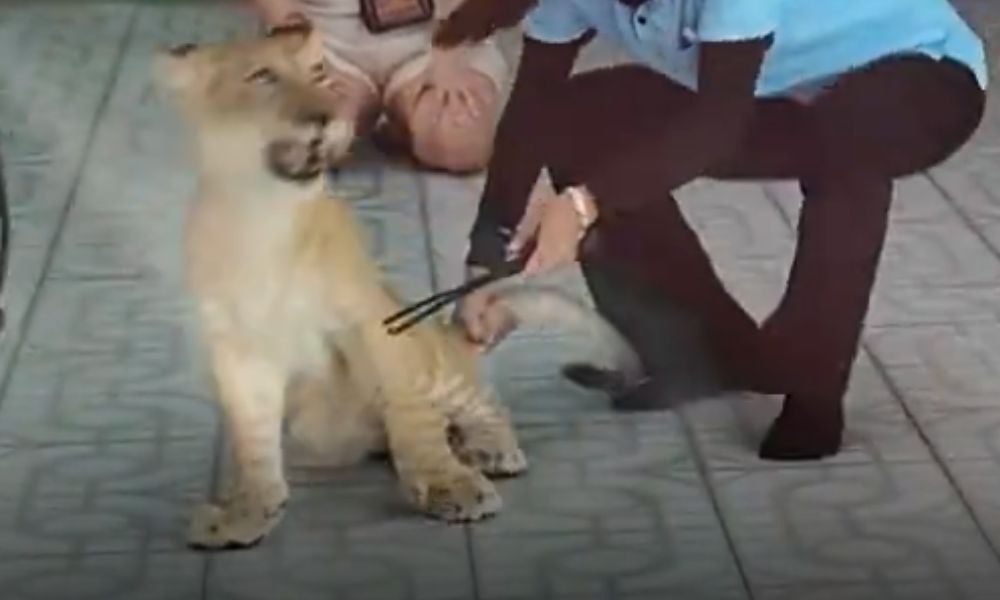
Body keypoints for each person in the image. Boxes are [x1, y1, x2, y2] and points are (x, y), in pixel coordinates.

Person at [434, 0, 988, 460]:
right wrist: (486, 254)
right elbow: (535, 106)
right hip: (782, 91)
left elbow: (716, 126)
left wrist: (582, 205)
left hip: (923, 75)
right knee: (579, 122)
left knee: (851, 139)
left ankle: (813, 383)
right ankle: (696, 349)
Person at [249, 0, 508, 173]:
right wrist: (293, 36)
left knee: (460, 141)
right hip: (329, 44)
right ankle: (367, 113)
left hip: (437, 42)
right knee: (308, 141)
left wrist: (454, 44)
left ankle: (405, 120)